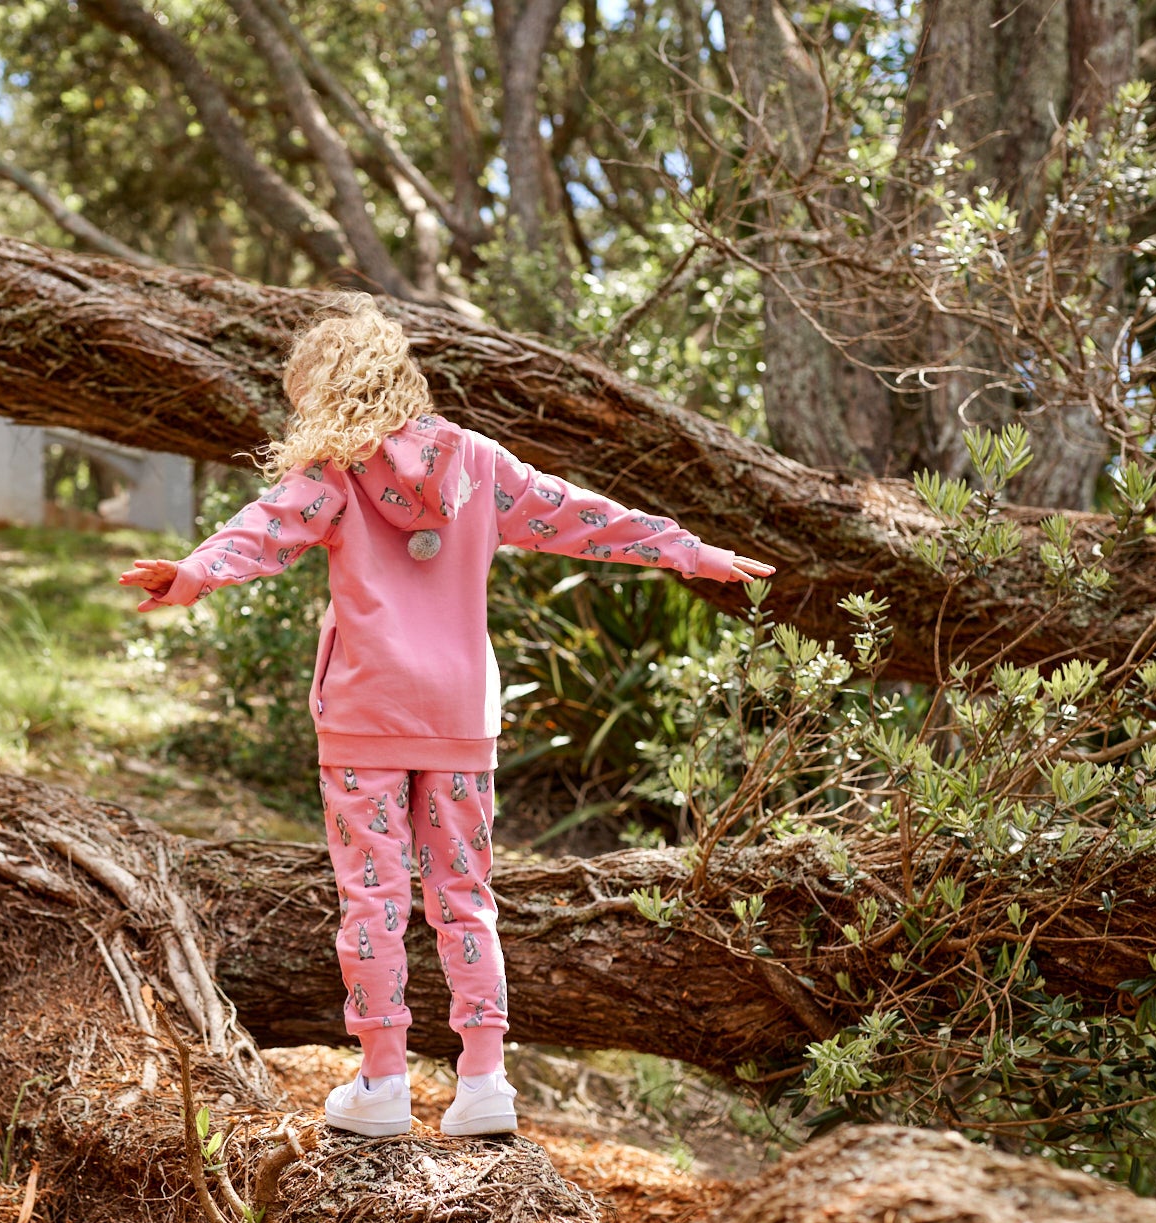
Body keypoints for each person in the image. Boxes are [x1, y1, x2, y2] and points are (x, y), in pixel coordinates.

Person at [120, 293, 774, 1138]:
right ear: (399, 378)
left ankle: (384, 1083)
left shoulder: (333, 475)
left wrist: (193, 573)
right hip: (462, 720)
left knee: (375, 900)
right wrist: (692, 551)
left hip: (366, 717)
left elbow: (263, 532)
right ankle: (485, 1084)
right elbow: (584, 518)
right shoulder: (478, 463)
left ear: (327, 394)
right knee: (466, 898)